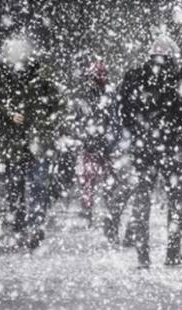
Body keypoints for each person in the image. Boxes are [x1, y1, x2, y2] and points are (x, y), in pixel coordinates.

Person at [112, 34, 182, 268]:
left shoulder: (135, 76)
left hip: (143, 147)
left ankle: (143, 255)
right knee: (175, 200)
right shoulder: (178, 77)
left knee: (142, 198)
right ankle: (172, 251)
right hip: (171, 148)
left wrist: (138, 134)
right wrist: (175, 135)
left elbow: (124, 110)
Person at [0, 37, 64, 249]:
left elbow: (59, 103)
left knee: (36, 185)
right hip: (16, 141)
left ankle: (34, 227)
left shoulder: (41, 75)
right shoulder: (0, 74)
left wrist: (45, 121)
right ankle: (22, 227)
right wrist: (9, 113)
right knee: (17, 187)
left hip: (37, 141)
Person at [72, 61, 117, 234]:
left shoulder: (88, 95)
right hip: (100, 144)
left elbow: (80, 119)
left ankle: (91, 211)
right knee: (100, 180)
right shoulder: (107, 94)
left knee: (90, 180)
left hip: (95, 143)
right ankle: (104, 211)